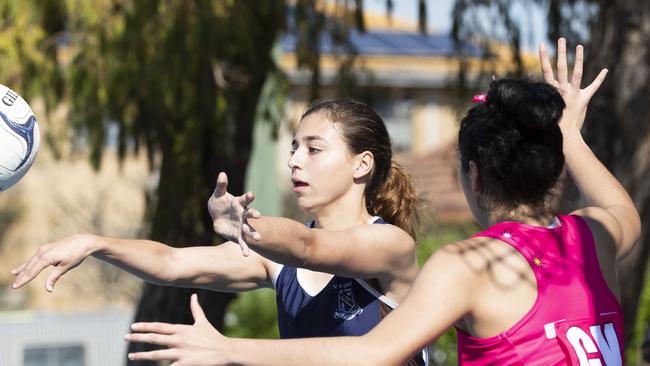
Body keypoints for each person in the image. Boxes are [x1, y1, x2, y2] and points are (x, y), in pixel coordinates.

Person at [125, 38, 640, 366]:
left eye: (313, 147)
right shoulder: (595, 236)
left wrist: (230, 349)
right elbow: (623, 209)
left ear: (475, 176)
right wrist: (567, 131)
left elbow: (369, 351)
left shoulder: (467, 264)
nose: (297, 161)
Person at [11, 98, 428, 364]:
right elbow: (171, 262)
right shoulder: (275, 262)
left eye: (314, 149)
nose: (295, 161)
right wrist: (96, 242)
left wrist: (248, 228)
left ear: (362, 164)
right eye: (294, 148)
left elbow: (307, 245)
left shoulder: (390, 245)